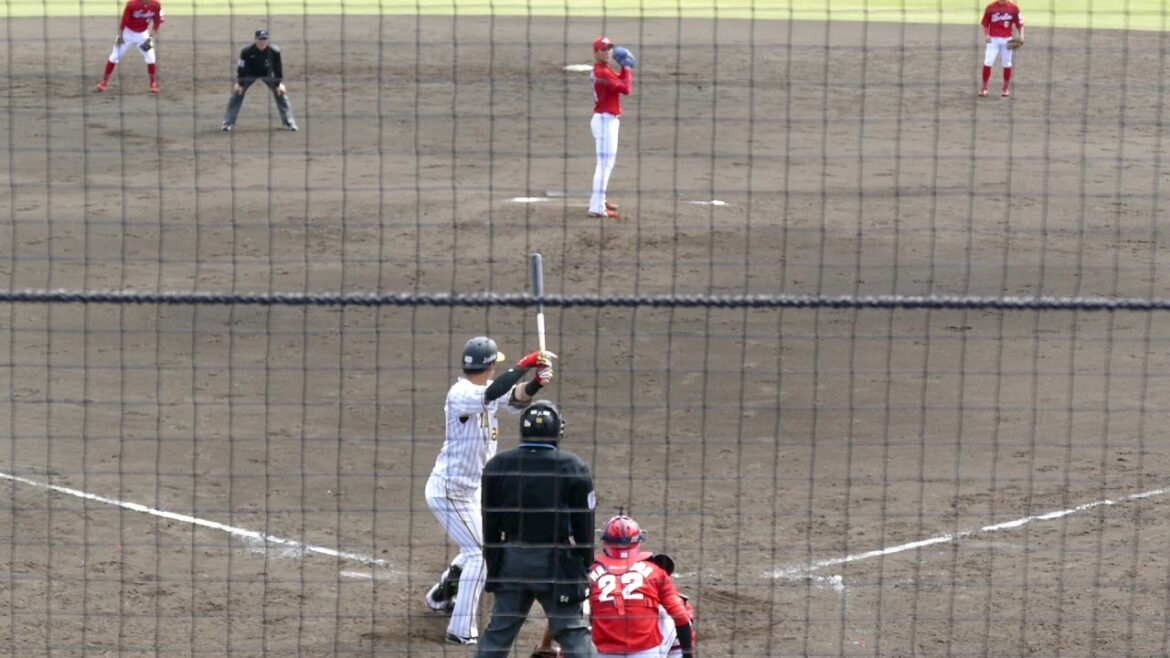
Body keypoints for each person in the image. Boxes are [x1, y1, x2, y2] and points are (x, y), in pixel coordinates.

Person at [424, 337, 555, 646]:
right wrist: (525, 364)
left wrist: (536, 382)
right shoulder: (462, 393)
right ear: (490, 365)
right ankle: (460, 631)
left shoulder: (484, 392)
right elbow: (495, 392)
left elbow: (515, 400)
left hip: (469, 492)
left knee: (485, 545)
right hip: (449, 492)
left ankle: (445, 591)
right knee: (479, 554)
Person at [476, 402, 598, 657]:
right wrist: (584, 564)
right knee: (573, 633)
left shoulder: (498, 465)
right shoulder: (573, 466)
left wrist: (495, 564)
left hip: (512, 559)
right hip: (556, 563)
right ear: (558, 431)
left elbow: (490, 522)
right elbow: (583, 524)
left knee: (498, 633)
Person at [588, 514, 695, 658]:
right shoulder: (655, 571)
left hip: (602, 653)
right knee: (681, 608)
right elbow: (681, 617)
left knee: (580, 620)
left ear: (605, 541)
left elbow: (566, 614)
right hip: (646, 653)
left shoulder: (589, 571)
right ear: (638, 540)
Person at [588, 36, 635, 220]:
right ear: (596, 52)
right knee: (604, 165)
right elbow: (626, 89)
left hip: (606, 120)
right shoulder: (602, 73)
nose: (607, 52)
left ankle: (600, 199)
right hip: (605, 121)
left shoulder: (604, 70)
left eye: (609, 49)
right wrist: (627, 67)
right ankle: (597, 207)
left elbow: (622, 83)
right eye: (603, 49)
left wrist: (624, 69)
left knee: (606, 164)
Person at [222, 29, 297, 132]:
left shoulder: (274, 51)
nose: (262, 42)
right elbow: (241, 68)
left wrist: (278, 84)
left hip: (267, 74)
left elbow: (278, 69)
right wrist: (240, 84)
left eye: (265, 39)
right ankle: (227, 123)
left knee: (281, 94)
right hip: (249, 74)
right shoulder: (246, 51)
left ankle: (290, 123)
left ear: (268, 40)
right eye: (260, 39)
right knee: (237, 93)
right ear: (255, 39)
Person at [95, 0, 164, 94]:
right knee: (114, 56)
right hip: (127, 33)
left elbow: (157, 23)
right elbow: (123, 22)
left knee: (151, 58)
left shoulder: (156, 4)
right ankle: (104, 83)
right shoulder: (132, 4)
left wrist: (149, 39)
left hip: (143, 35)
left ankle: (153, 84)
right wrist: (120, 37)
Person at [980, 0, 1024, 97]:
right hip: (993, 40)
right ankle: (984, 88)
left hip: (1007, 40)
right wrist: (986, 35)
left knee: (1007, 63)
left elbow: (1020, 24)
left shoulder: (1013, 7)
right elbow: (985, 23)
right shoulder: (990, 7)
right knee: (988, 62)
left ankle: (1005, 89)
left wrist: (1021, 36)